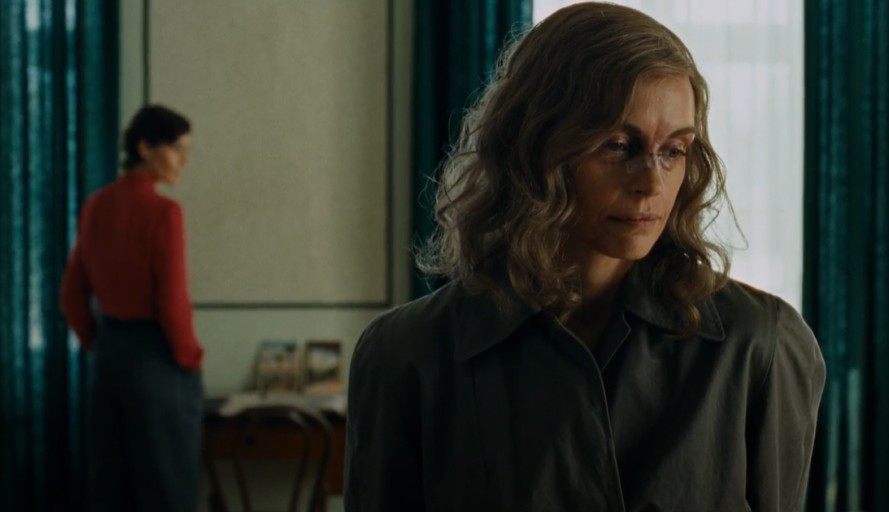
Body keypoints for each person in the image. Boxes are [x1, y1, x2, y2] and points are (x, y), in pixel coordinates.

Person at [344, 3, 826, 511]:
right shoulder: (407, 354)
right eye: (618, 145)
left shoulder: (760, 345)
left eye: (674, 150)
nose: (651, 183)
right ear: (535, 147)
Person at [61, 105, 204, 512]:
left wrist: (100, 342)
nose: (183, 161)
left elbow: (71, 294)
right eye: (177, 149)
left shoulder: (96, 205)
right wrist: (189, 357)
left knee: (112, 487)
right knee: (168, 485)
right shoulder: (164, 213)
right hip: (158, 357)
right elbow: (172, 302)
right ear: (145, 148)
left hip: (111, 357)